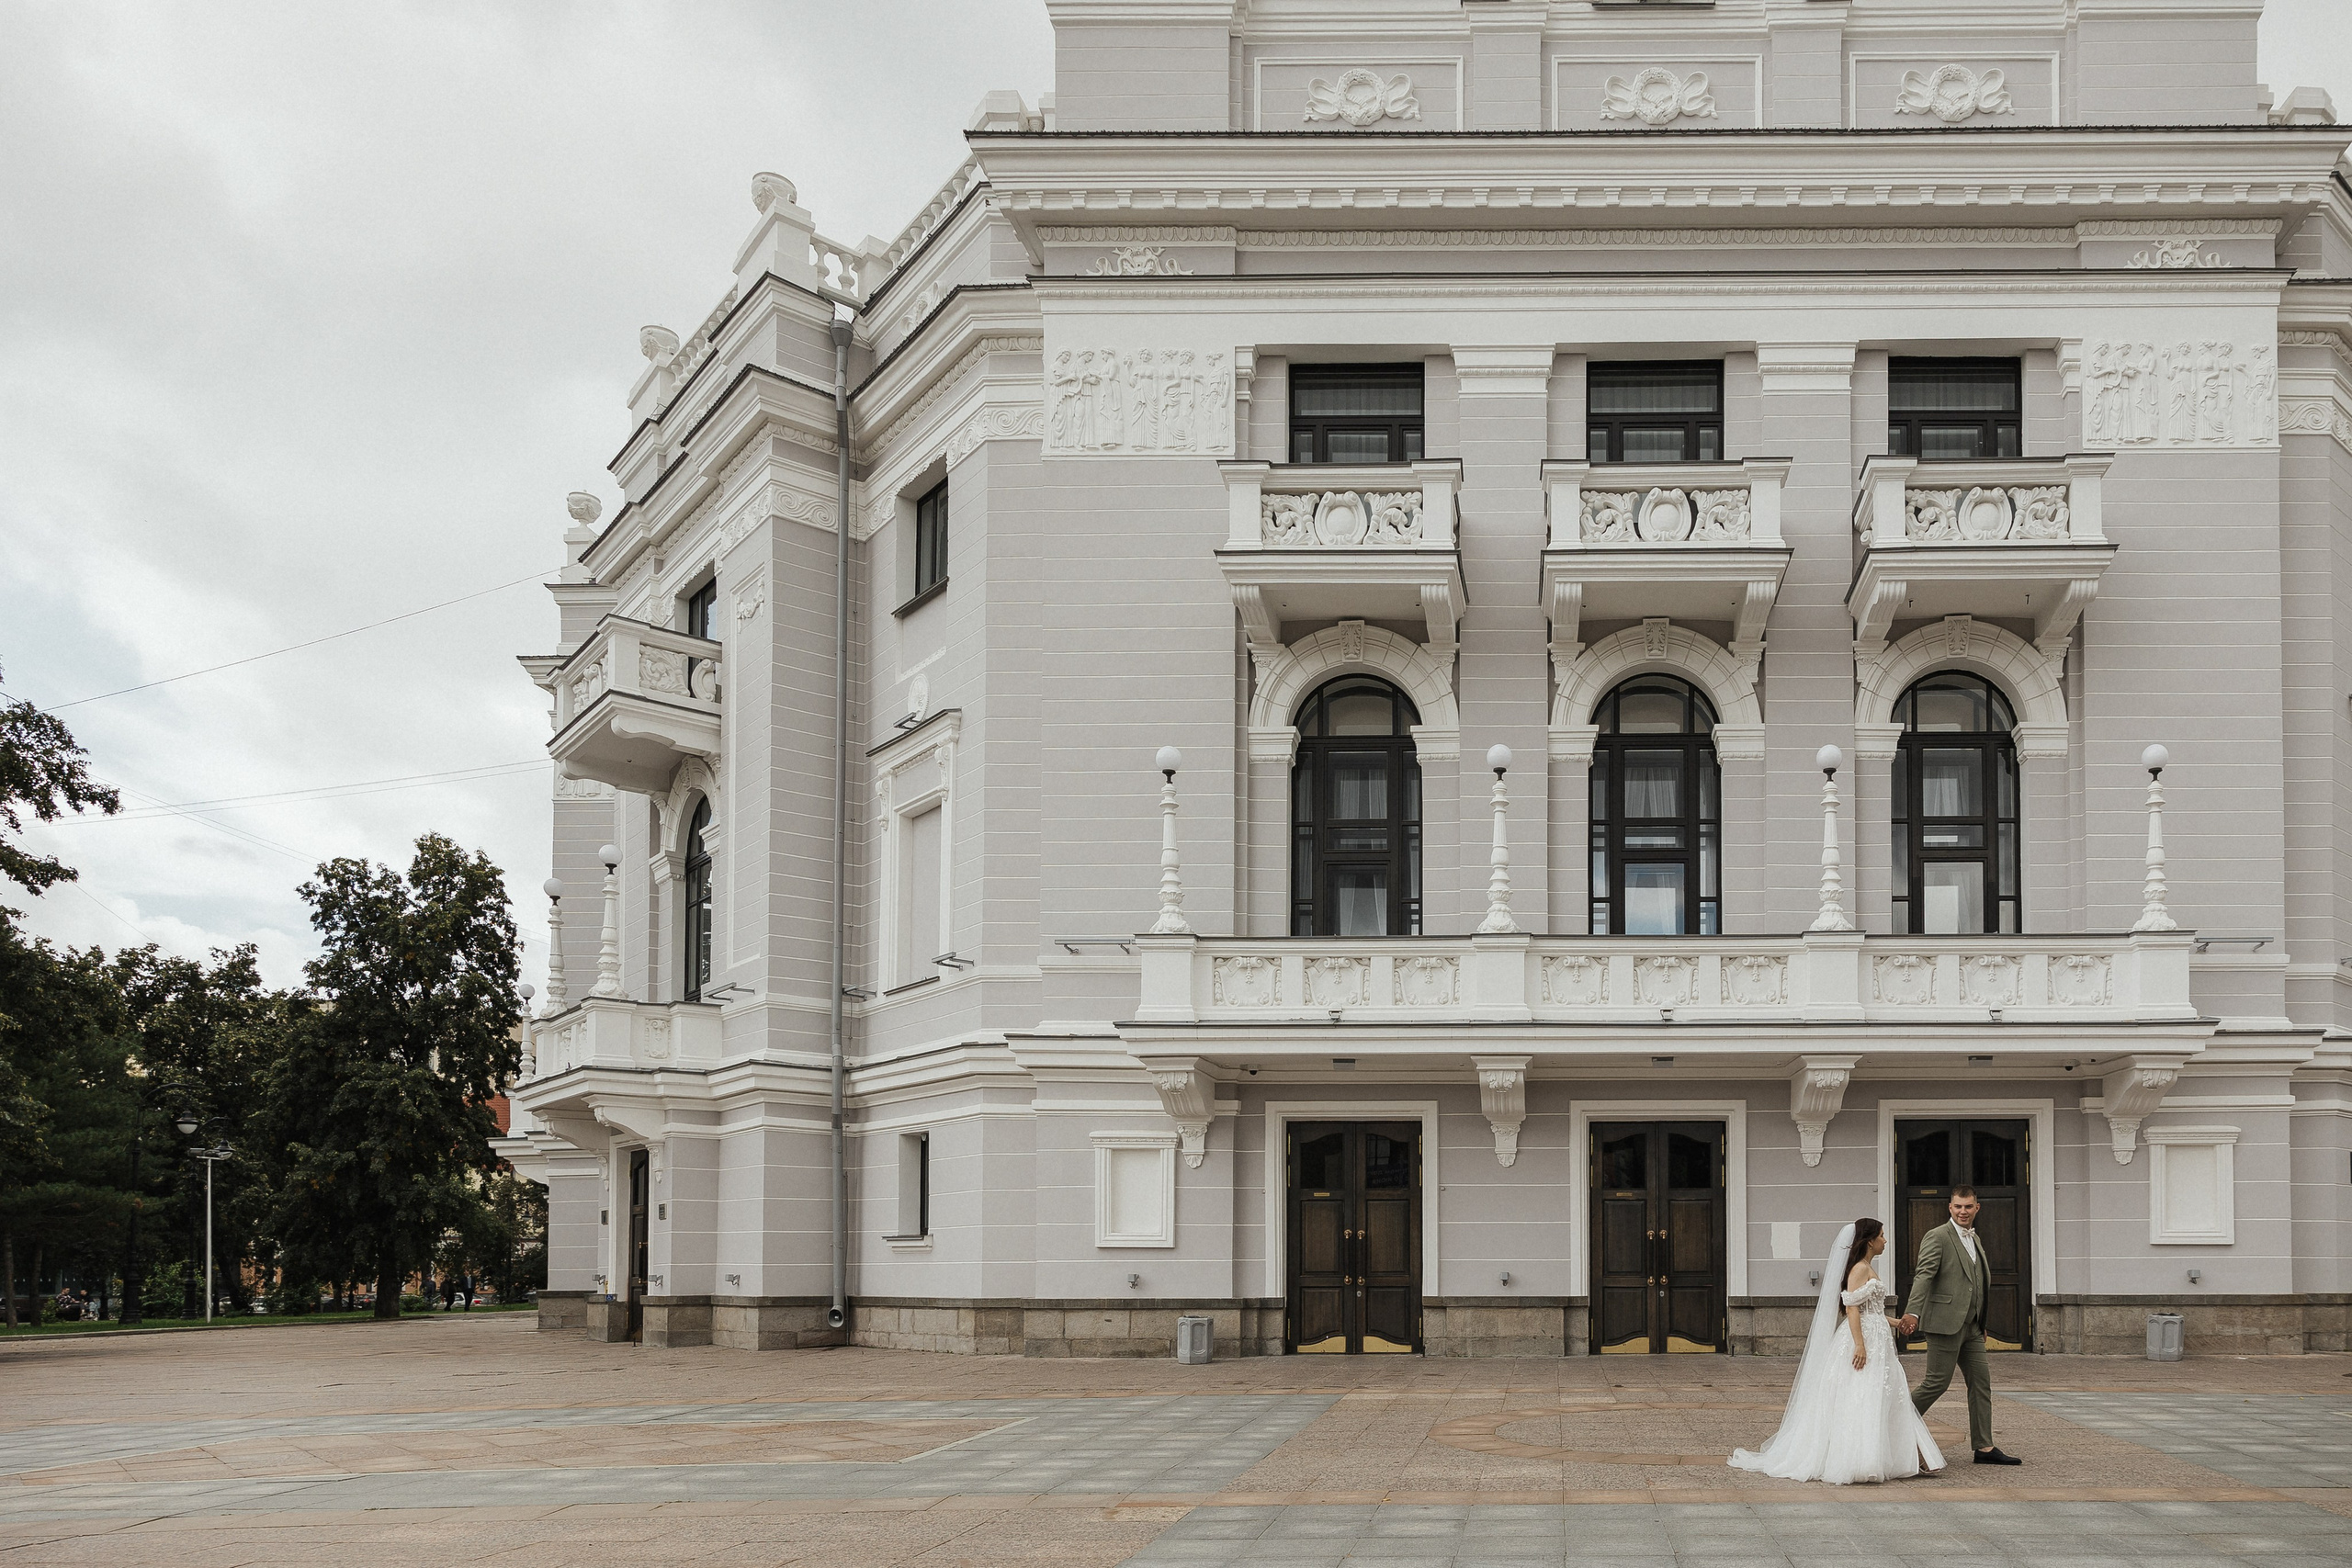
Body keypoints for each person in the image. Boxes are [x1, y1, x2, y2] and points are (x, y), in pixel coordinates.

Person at [1729, 1218, 1945, 1484]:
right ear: (1870, 1241)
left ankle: (1902, 1456)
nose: (1885, 1240)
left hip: (1877, 1337)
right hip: (1864, 1339)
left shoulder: (1867, 1267)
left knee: (1885, 1393)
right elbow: (1852, 1309)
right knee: (1863, 1394)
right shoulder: (1859, 1269)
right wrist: (1860, 1344)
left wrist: (1896, 1322)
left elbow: (1872, 1311)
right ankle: (1861, 1458)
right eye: (1881, 1235)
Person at [1899, 1187, 2023, 1465]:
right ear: (1950, 1207)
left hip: (1973, 1327)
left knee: (1981, 1384)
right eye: (1958, 1206)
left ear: (1977, 1207)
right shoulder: (1938, 1236)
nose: (1963, 1212)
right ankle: (1891, 1423)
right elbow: (1923, 1276)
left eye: (1968, 1206)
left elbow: (1977, 1282)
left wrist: (1982, 1320)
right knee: (1936, 1383)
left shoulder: (1975, 1238)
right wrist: (1913, 1312)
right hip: (1944, 1324)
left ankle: (1984, 1447)